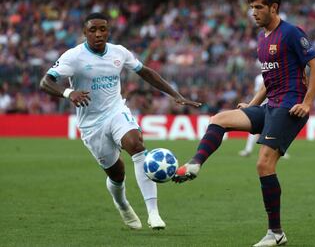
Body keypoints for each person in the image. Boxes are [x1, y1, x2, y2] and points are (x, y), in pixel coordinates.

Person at [173, 0, 315, 246]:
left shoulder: (291, 33)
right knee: (219, 119)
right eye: (251, 7)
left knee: (263, 164)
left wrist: (308, 103)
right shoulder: (262, 38)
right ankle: (195, 165)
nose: (253, 12)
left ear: (273, 7)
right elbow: (270, 79)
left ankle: (275, 233)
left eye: (258, 7)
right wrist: (253, 104)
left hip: (290, 106)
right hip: (270, 106)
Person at [40, 12, 201, 230]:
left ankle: (153, 213)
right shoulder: (73, 56)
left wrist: (175, 95)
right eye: (93, 30)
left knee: (136, 145)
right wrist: (69, 93)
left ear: (108, 31)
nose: (98, 34)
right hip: (91, 124)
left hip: (116, 111)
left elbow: (145, 72)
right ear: (84, 33)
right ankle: (122, 203)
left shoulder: (119, 52)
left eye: (102, 29)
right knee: (117, 174)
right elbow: (46, 82)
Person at [238, 74, 289, 159]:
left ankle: (280, 151)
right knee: (255, 127)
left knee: (276, 128)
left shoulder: (276, 72)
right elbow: (257, 92)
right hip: (261, 105)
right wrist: (253, 105)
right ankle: (248, 150)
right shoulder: (259, 78)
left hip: (274, 105)